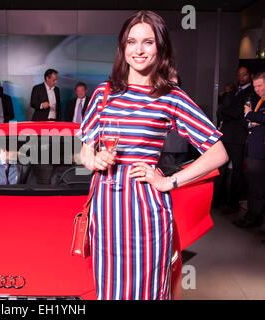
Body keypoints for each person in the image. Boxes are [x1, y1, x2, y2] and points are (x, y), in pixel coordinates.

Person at [78, 10, 228, 300]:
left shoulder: (171, 97)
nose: (138, 49)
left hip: (146, 214)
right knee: (109, 291)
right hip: (106, 214)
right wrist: (93, 159)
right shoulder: (103, 94)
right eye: (131, 41)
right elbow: (85, 151)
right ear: (122, 46)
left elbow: (218, 153)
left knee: (148, 292)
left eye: (148, 42)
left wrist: (169, 182)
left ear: (160, 46)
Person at [213, 66, 260, 213]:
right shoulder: (232, 92)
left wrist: (229, 112)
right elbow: (219, 111)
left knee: (237, 172)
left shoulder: (252, 94)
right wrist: (229, 112)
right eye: (239, 75)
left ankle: (232, 203)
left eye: (244, 75)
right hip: (226, 135)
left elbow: (238, 112)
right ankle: (216, 200)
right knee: (219, 169)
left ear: (250, 76)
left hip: (239, 137)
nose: (241, 77)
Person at [233, 71, 265, 228]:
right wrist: (251, 120)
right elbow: (245, 120)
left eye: (260, 86)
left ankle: (254, 218)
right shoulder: (259, 101)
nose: (257, 89)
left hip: (260, 151)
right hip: (253, 149)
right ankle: (251, 216)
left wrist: (251, 115)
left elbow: (252, 116)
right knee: (252, 186)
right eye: (255, 86)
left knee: (258, 188)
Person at [157, 75, 189, 168]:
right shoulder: (184, 98)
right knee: (179, 173)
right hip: (182, 144)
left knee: (168, 173)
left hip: (168, 145)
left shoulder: (164, 99)